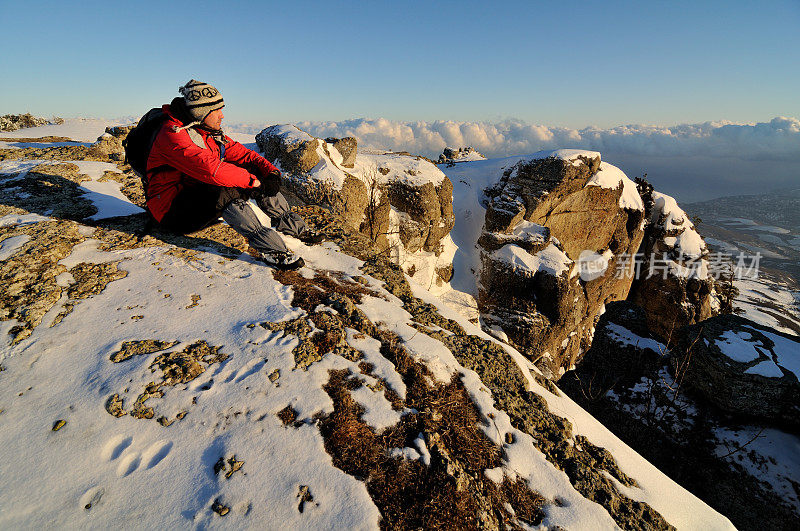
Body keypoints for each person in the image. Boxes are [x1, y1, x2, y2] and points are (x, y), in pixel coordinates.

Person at [145, 79, 322, 270]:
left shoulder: (204, 130)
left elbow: (242, 154)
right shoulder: (173, 135)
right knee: (225, 189)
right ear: (201, 113)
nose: (222, 116)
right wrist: (256, 184)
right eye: (217, 111)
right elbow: (213, 170)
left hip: (193, 193)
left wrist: (270, 172)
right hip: (172, 211)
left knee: (253, 172)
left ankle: (295, 227)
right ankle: (272, 250)